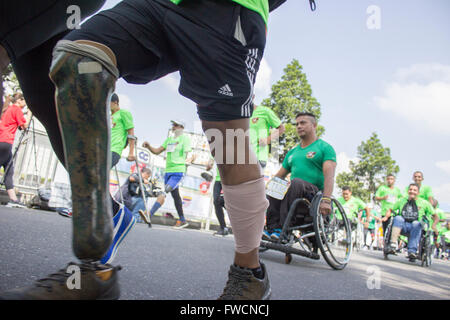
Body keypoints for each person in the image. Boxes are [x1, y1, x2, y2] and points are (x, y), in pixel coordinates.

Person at [0, 0, 296, 300]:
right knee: (80, 58)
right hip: (158, 4)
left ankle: (249, 274)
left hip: (226, 12)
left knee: (228, 146)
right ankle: (92, 269)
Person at [264, 112, 336, 240]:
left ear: (314, 125)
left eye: (303, 123)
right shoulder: (293, 152)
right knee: (276, 183)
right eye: (297, 124)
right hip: (293, 192)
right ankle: (273, 228)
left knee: (296, 182)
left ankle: (284, 230)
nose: (298, 126)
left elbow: (329, 176)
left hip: (314, 195)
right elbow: (279, 176)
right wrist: (263, 189)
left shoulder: (324, 148)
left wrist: (326, 200)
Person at [143, 120, 194, 229]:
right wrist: (149, 146)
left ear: (181, 127)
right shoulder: (169, 140)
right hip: (168, 172)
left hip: (178, 172)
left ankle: (149, 215)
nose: (173, 127)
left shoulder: (185, 139)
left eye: (176, 125)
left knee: (164, 191)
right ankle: (182, 220)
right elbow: (157, 151)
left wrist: (188, 161)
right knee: (176, 197)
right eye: (173, 125)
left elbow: (189, 154)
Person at [385, 183, 439, 260]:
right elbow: (390, 209)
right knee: (398, 218)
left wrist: (434, 225)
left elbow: (435, 216)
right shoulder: (402, 200)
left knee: (416, 223)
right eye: (410, 189)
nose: (412, 191)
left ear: (418, 193)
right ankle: (393, 245)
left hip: (415, 227)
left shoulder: (424, 203)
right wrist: (387, 216)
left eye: (415, 190)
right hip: (402, 225)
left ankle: (412, 251)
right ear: (408, 191)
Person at [0, 93, 32, 207]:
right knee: (8, 170)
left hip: (3, 142)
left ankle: (13, 199)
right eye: (25, 102)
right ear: (20, 100)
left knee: (9, 172)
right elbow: (24, 125)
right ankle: (13, 199)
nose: (25, 105)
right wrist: (29, 113)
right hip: (5, 142)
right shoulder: (16, 109)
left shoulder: (8, 109)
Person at [249, 99, 285, 169]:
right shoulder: (238, 114)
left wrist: (268, 139)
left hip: (258, 157)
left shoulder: (264, 111)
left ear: (252, 97)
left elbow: (281, 128)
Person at [110, 93, 136, 167]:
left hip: (114, 150)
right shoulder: (109, 116)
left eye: (108, 103)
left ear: (115, 102)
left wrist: (131, 153)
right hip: (105, 149)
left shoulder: (123, 113)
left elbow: (131, 132)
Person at [206, 157, 229, 236]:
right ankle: (223, 228)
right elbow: (212, 157)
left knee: (224, 201)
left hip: (230, 180)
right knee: (216, 201)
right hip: (218, 179)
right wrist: (210, 163)